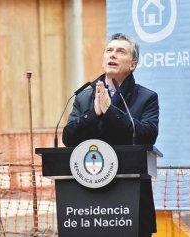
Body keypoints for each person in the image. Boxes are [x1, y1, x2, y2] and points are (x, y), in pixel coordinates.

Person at [62, 33, 159, 237]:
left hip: (130, 198)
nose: (112, 55)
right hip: (89, 198)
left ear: (132, 64)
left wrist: (111, 112)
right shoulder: (84, 97)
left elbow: (147, 135)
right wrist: (93, 114)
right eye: (109, 50)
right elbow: (68, 138)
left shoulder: (147, 97)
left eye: (120, 51)